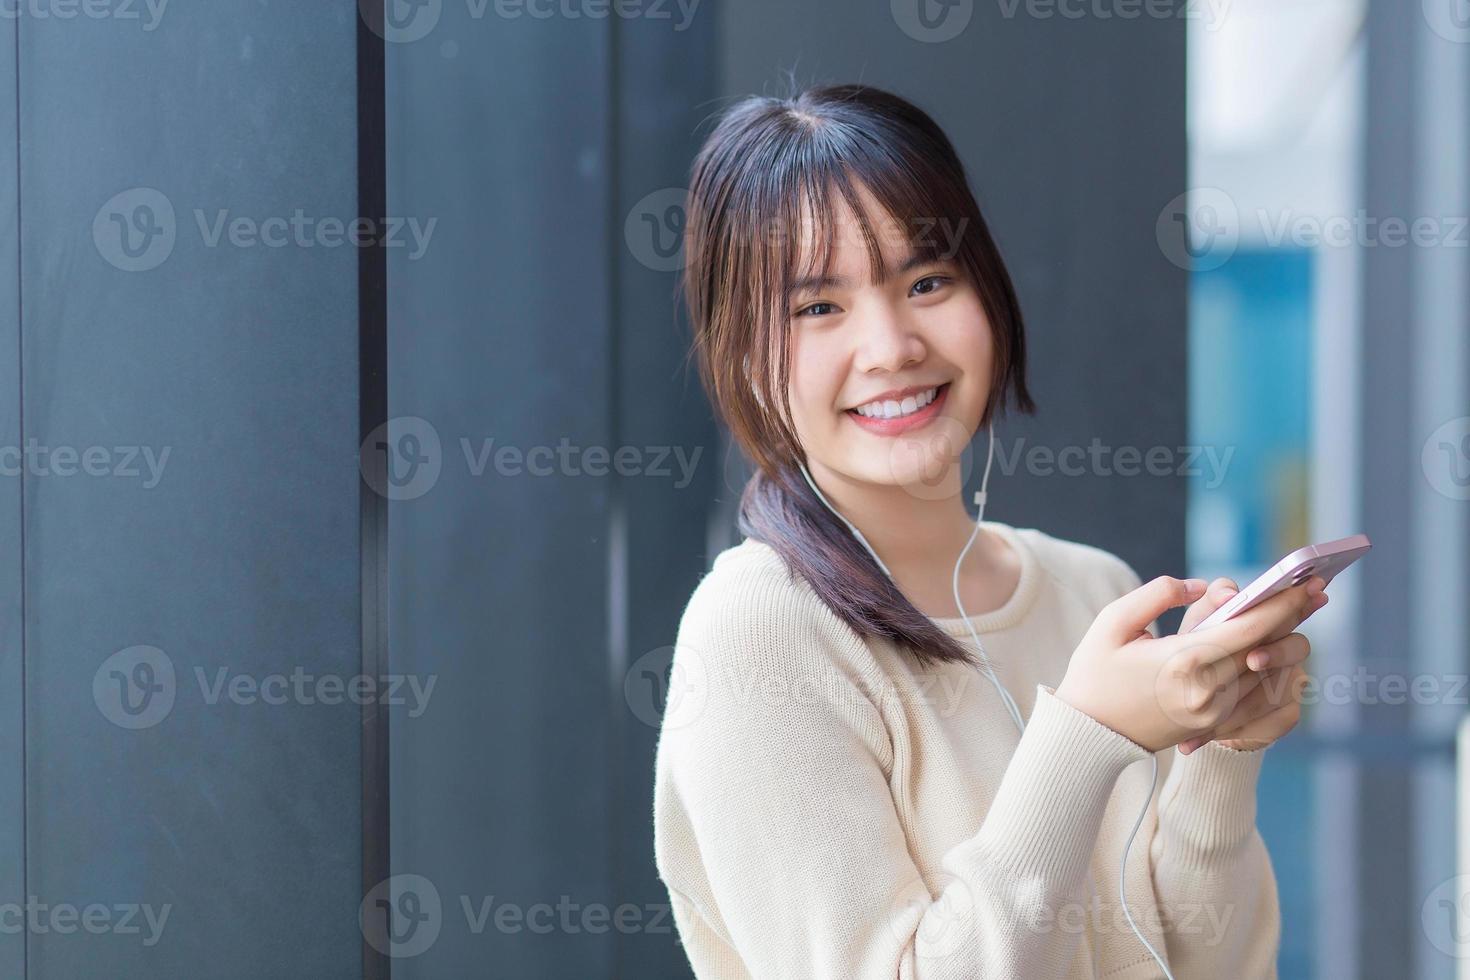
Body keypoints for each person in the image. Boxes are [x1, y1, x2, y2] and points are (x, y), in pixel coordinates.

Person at [652, 82, 1321, 979]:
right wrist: (1085, 735)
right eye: (819, 307)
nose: (891, 345)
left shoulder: (1094, 591)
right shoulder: (757, 633)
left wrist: (1222, 753)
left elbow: (1208, 964)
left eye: (927, 281)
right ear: (741, 351)